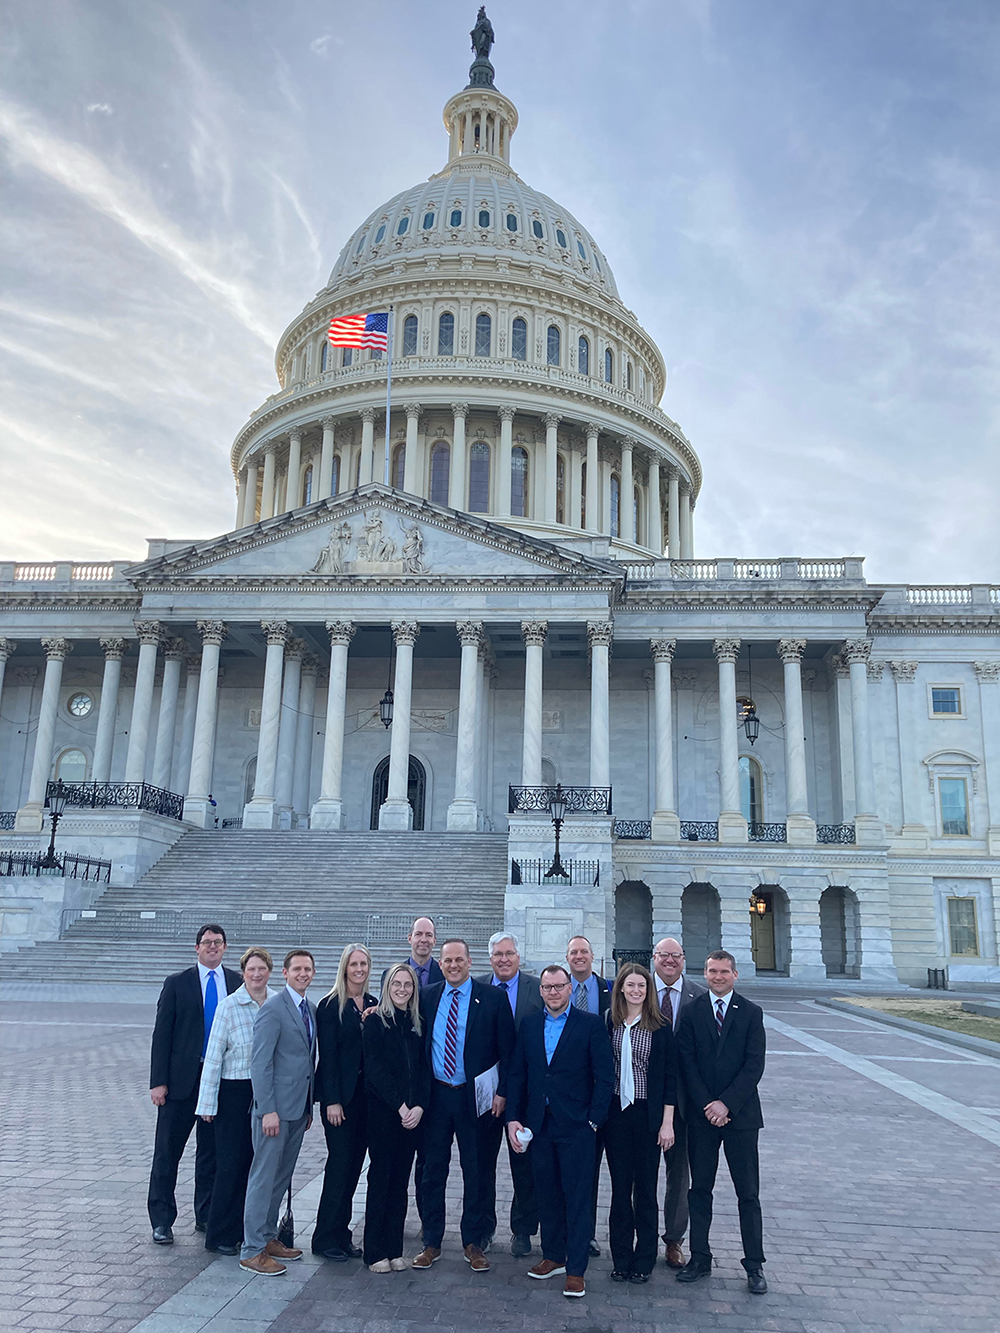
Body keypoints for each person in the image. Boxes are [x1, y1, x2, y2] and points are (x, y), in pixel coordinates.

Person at [506, 964, 614, 1299]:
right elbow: (517, 1075)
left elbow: (604, 1077)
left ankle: (577, 1268)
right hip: (539, 1124)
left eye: (559, 986)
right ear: (540, 991)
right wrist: (513, 1118)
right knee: (547, 1193)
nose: (553, 992)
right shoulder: (529, 1025)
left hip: (578, 1125)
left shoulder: (591, 1025)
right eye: (547, 987)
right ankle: (553, 1255)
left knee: (578, 1197)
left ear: (570, 989)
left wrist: (594, 1121)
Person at [411, 938, 516, 1273]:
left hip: (477, 1099)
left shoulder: (494, 998)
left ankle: (474, 1240)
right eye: (447, 961)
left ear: (470, 962)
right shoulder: (427, 996)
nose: (453, 965)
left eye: (459, 960)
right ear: (439, 964)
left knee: (477, 1170)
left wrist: (502, 1092)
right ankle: (432, 1240)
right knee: (432, 1171)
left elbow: (507, 1051)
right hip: (437, 1097)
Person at [675, 950, 767, 1295]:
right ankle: (699, 1257)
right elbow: (687, 1062)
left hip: (741, 1117)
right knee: (700, 1190)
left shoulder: (751, 1013)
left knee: (748, 1194)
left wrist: (726, 1103)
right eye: (712, 971)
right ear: (705, 972)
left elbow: (754, 1065)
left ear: (735, 974)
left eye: (724, 972)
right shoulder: (692, 1011)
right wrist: (707, 1104)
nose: (717, 977)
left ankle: (754, 1265)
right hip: (702, 1118)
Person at [147, 923, 242, 1244]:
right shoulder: (177, 984)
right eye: (206, 943)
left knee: (211, 1153)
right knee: (167, 1152)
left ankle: (206, 1214)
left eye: (218, 942)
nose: (212, 947)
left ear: (225, 947)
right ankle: (162, 1219)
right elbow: (161, 1036)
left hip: (219, 1081)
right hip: (180, 1084)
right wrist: (158, 1082)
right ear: (197, 948)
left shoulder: (236, 982)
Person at [240, 949, 319, 1275]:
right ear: (284, 973)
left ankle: (269, 1237)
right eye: (297, 969)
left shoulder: (309, 1009)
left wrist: (307, 1105)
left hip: (297, 1110)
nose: (303, 973)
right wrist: (267, 1109)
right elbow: (260, 1063)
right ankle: (251, 1249)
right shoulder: (273, 1009)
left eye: (308, 969)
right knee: (263, 1179)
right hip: (273, 1112)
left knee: (280, 1179)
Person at [196, 947, 276, 1255]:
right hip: (234, 1092)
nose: (257, 975)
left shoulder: (276, 1003)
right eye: (251, 970)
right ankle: (220, 1234)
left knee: (256, 1166)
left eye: (262, 969)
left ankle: (251, 1230)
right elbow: (214, 1056)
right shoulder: (229, 1006)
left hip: (265, 1092)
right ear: (242, 973)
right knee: (230, 1165)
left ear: (269, 972)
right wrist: (207, 1104)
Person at [604, 965, 677, 1284]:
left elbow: (670, 1079)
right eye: (630, 985)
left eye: (642, 987)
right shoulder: (610, 1022)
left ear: (648, 992)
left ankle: (644, 1258)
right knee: (620, 1189)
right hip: (617, 1113)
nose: (636, 991)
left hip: (648, 1113)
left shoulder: (660, 1026)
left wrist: (667, 1124)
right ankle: (621, 1257)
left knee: (645, 1189)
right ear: (620, 988)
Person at [474, 931, 542, 1257]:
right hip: (486, 1094)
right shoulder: (477, 988)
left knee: (524, 1165)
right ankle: (484, 1228)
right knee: (482, 1164)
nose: (504, 959)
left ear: (519, 956)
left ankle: (523, 1230)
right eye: (498, 954)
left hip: (525, 1093)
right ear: (490, 958)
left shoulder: (536, 989)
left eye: (509, 953)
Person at [362, 963, 431, 1272]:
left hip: (412, 1118)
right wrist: (400, 1106)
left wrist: (418, 1106)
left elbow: (423, 1070)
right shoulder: (376, 1021)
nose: (402, 989)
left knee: (400, 1182)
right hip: (384, 1114)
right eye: (396, 984)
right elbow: (375, 1070)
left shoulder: (417, 1023)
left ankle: (394, 1247)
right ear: (387, 987)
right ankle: (374, 1250)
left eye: (408, 984)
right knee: (381, 1178)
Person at [312, 943, 378, 1261]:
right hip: (340, 1103)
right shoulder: (329, 1005)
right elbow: (329, 1058)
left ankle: (343, 1233)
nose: (359, 969)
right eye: (354, 964)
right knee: (338, 1167)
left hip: (366, 1102)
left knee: (353, 1170)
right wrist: (332, 1101)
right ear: (344, 968)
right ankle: (324, 1237)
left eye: (364, 964)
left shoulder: (373, 1003)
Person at [651, 937, 705, 1268]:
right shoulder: (637, 991)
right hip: (644, 1099)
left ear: (684, 959)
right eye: (663, 955)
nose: (669, 961)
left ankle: (674, 1240)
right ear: (653, 958)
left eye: (676, 956)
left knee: (679, 1176)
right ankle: (638, 1235)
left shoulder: (698, 996)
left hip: (684, 1105)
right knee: (638, 1175)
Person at [565, 935, 611, 1256]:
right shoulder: (556, 989)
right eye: (573, 953)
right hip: (566, 1094)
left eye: (584, 951)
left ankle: (587, 1232)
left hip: (600, 1093)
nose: (579, 957)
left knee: (590, 1170)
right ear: (567, 958)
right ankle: (561, 1229)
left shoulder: (611, 990)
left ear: (593, 956)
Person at [382, 916, 443, 990]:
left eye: (429, 935)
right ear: (410, 939)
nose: (423, 940)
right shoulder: (390, 975)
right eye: (418, 934)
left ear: (434, 941)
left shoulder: (444, 975)